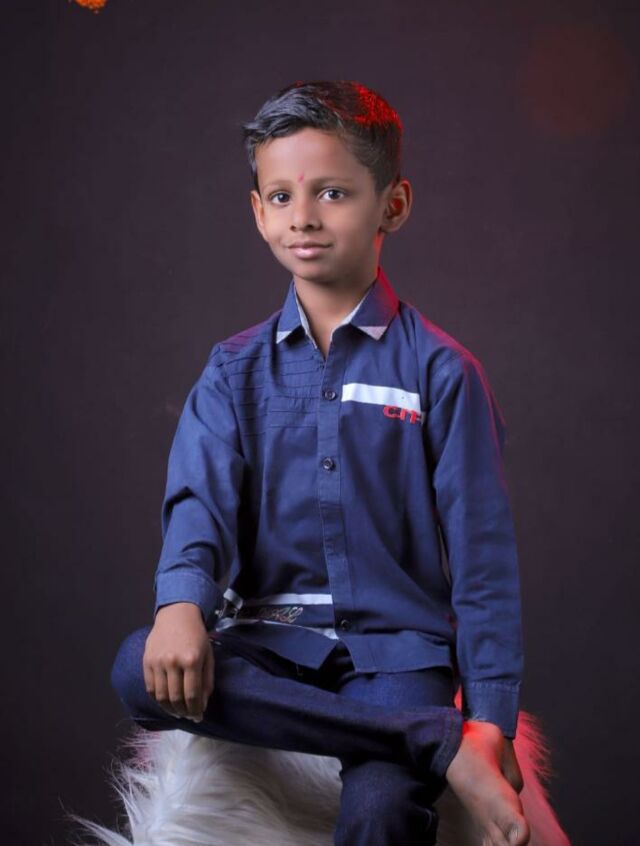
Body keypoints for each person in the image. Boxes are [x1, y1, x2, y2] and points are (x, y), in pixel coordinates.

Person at [110, 79, 529, 846]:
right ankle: (430, 741)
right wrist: (182, 604)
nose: (302, 216)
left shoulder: (443, 372)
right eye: (280, 196)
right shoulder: (232, 371)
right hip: (268, 642)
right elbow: (200, 506)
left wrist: (492, 717)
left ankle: (420, 735)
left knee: (381, 811)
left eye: (332, 193)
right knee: (137, 665)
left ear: (392, 206)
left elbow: (484, 560)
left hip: (399, 657)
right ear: (257, 210)